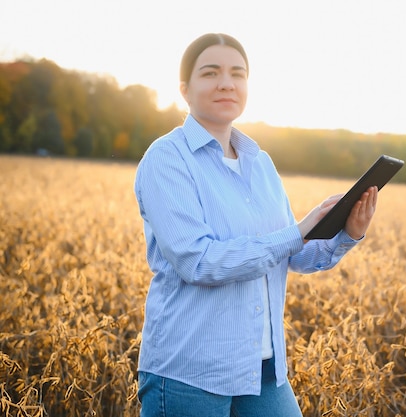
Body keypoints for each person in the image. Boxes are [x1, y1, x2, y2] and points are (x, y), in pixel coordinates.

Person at [134, 33, 378, 417]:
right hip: (189, 371)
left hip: (260, 368)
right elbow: (198, 261)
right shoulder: (167, 159)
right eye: (210, 73)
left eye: (238, 73)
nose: (227, 83)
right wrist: (296, 232)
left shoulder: (259, 162)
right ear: (184, 89)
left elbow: (292, 255)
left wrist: (349, 232)